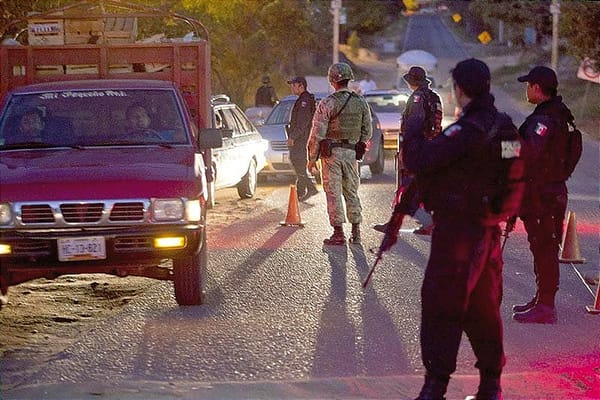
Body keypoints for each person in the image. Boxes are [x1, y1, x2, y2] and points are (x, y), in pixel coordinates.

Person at [387, 58, 507, 400]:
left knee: (442, 306)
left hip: (458, 233)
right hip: (488, 233)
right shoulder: (505, 127)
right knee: (483, 308)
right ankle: (490, 384)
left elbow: (421, 161)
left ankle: (435, 386)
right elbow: (515, 172)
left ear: (460, 89)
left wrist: (410, 132)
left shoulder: (466, 130)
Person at [512, 66, 581, 324]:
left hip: (543, 194)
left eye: (528, 85)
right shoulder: (560, 115)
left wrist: (501, 148)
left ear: (537, 89)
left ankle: (546, 306)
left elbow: (527, 153)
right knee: (541, 246)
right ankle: (541, 298)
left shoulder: (544, 120)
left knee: (545, 248)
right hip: (551, 191)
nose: (526, 90)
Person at [307, 62, 372, 245]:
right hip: (351, 155)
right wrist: (357, 144)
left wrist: (311, 159)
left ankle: (338, 233)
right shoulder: (360, 102)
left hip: (332, 156)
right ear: (349, 79)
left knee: (333, 192)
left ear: (332, 80)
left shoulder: (328, 103)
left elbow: (317, 134)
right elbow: (367, 132)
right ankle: (356, 232)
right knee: (351, 191)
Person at [373, 66, 441, 235]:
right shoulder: (434, 97)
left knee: (405, 186)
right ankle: (428, 223)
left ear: (412, 82)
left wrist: (405, 149)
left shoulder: (417, 97)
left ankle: (399, 224)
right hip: (430, 147)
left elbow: (413, 125)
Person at [286, 76, 319, 201]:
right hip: (301, 137)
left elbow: (302, 122)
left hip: (301, 138)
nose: (292, 87)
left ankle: (310, 187)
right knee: (298, 162)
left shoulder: (304, 101)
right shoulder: (302, 99)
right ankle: (301, 191)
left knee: (297, 161)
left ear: (301, 85)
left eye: (294, 85)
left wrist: (293, 137)